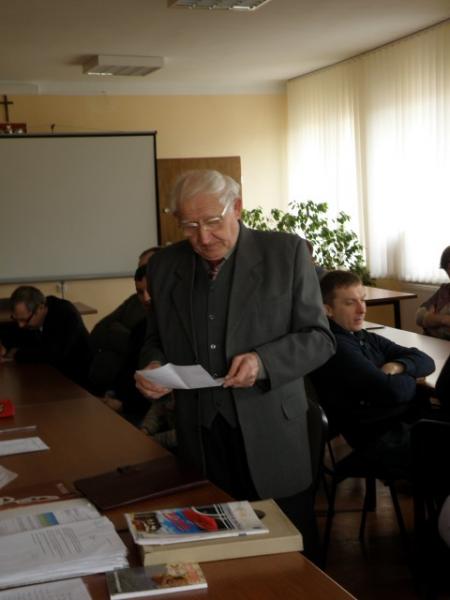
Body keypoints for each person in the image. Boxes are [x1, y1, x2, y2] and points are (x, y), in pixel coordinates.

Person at [135, 169, 336, 561]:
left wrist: (263, 362)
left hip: (273, 431)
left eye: (212, 221)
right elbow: (155, 339)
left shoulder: (286, 254)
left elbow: (319, 338)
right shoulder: (164, 266)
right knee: (215, 551)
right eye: (189, 226)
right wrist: (153, 365)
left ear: (238, 208)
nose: (203, 237)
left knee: (291, 557)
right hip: (200, 434)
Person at [311, 270, 436, 477]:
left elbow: (426, 360)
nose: (362, 309)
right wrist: (412, 378)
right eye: (350, 303)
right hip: (378, 439)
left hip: (400, 422)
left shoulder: (362, 336)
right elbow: (391, 392)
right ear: (328, 310)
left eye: (363, 300)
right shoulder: (336, 346)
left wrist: (397, 366)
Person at [89, 263, 156, 422]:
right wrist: (113, 393)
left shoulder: (173, 327)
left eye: (150, 290)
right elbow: (100, 331)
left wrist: (124, 405)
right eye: (140, 292)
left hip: (143, 411)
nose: (146, 298)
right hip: (119, 397)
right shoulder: (141, 324)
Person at [0, 285, 91, 388]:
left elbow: (53, 354)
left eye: (24, 320)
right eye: (16, 319)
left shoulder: (65, 313)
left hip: (77, 379)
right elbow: (13, 334)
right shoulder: (29, 316)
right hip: (48, 376)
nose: (20, 325)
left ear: (40, 308)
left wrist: (17, 354)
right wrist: (4, 346)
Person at [416, 246, 450, 339]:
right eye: (447, 269)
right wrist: (444, 319)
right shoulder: (445, 289)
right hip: (432, 344)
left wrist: (431, 320)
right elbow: (419, 316)